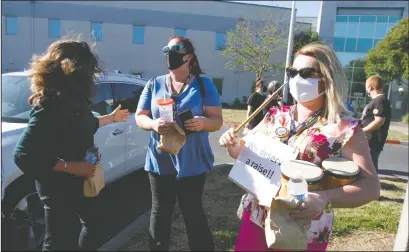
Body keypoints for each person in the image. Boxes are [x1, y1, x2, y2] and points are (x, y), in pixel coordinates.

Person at [219, 42, 380, 251]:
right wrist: (235, 148)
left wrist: (324, 199)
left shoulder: (345, 129)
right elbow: (252, 157)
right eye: (292, 72)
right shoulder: (275, 116)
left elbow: (371, 187)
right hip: (257, 218)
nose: (296, 78)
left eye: (305, 72)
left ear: (327, 78)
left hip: (303, 227)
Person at [13, 38, 130, 251]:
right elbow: (23, 155)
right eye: (89, 71)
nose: (92, 77)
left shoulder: (75, 101)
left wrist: (111, 118)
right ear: (75, 72)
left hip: (82, 183)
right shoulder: (48, 109)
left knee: (95, 225)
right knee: (58, 242)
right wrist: (72, 167)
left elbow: (88, 124)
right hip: (59, 191)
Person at [135, 36, 222, 251]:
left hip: (191, 161)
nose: (169, 54)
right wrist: (154, 125)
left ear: (189, 56)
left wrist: (202, 123)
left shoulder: (204, 85)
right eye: (167, 49)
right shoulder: (154, 83)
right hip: (160, 160)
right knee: (160, 212)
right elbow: (140, 116)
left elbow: (217, 121)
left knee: (192, 211)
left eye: (175, 49)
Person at [361, 75, 392, 172]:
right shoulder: (377, 101)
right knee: (366, 165)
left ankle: (371, 185)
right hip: (369, 139)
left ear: (370, 87)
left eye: (366, 88)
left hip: (373, 140)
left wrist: (363, 131)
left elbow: (379, 121)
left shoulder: (380, 100)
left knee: (370, 167)